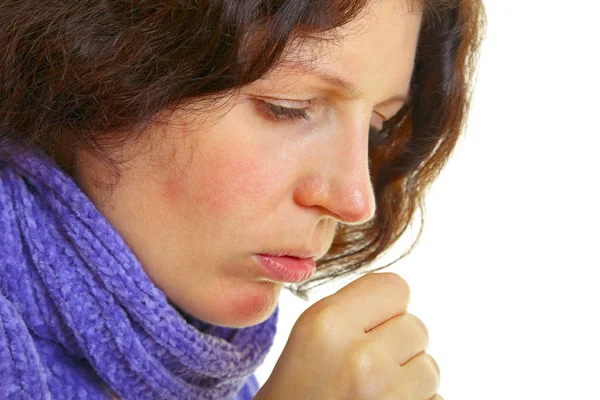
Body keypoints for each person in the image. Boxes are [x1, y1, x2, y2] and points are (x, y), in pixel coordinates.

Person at [0, 0, 486, 398]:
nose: (355, 201)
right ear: (95, 66)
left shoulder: (202, 364)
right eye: (288, 109)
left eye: (378, 128)